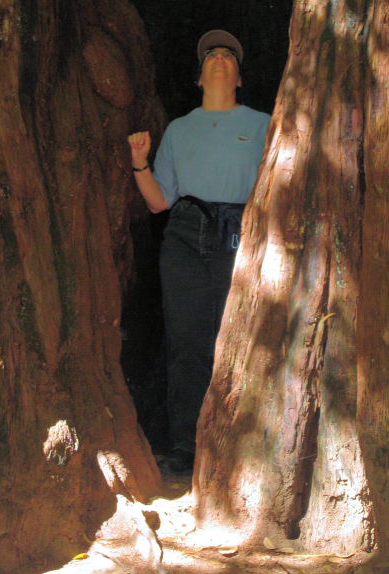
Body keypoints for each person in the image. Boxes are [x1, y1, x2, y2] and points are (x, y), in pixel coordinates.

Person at [128, 30, 270, 471]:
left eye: (229, 55)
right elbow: (158, 201)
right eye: (212, 55)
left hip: (240, 231)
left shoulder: (264, 124)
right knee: (187, 341)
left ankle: (241, 451)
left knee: (243, 342)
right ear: (200, 76)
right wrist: (139, 161)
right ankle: (187, 449)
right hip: (187, 233)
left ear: (239, 78)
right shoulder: (179, 129)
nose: (220, 59)